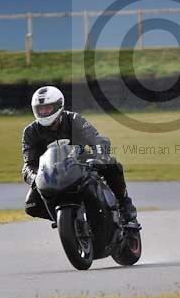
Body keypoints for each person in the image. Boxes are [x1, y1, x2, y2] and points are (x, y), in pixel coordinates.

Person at [21, 85, 138, 223]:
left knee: (111, 164)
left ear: (59, 106)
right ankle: (67, 220)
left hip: (80, 165)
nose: (44, 112)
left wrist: (101, 156)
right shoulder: (30, 132)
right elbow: (29, 164)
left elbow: (97, 139)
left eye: (48, 108)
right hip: (51, 174)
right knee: (31, 205)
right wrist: (35, 178)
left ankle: (124, 204)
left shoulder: (74, 119)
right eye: (40, 109)